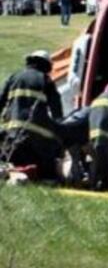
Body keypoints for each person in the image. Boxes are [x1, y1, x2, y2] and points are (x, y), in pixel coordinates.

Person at [0, 50, 63, 179]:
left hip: (11, 137)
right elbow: (57, 111)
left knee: (13, 161)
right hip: (36, 141)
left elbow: (1, 100)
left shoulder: (14, 77)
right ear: (46, 65)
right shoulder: (46, 80)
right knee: (44, 168)